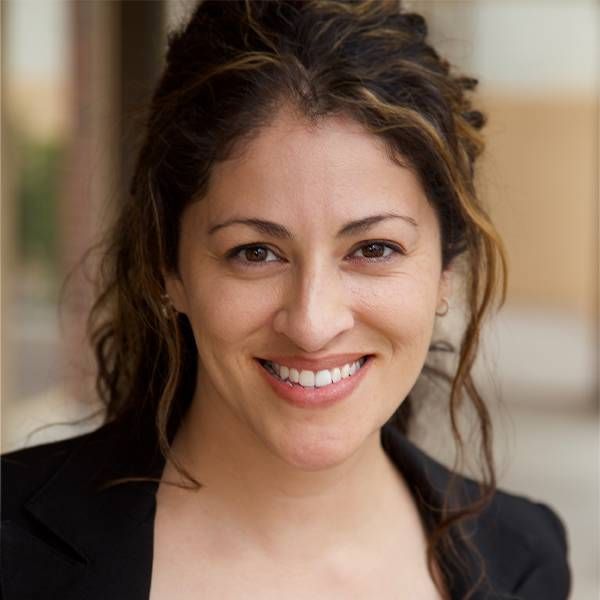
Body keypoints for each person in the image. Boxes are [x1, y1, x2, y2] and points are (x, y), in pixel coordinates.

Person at [1, 1, 571, 599]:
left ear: (445, 273)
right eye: (255, 252)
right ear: (168, 269)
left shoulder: (526, 559)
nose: (312, 322)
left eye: (373, 249)